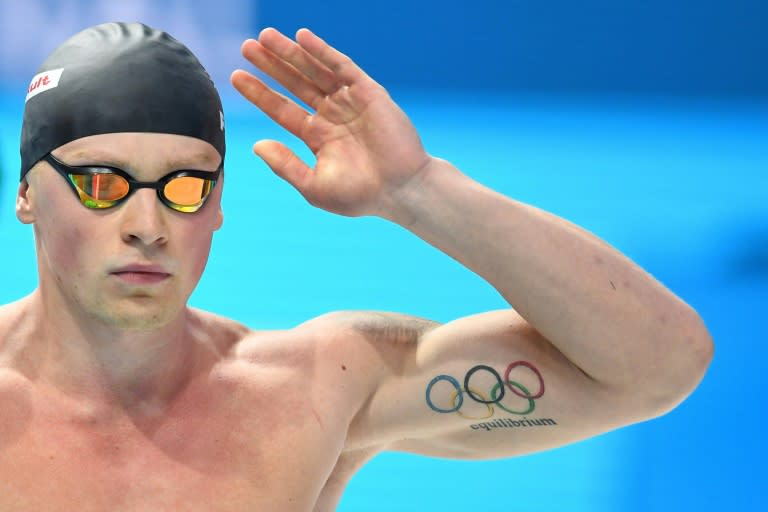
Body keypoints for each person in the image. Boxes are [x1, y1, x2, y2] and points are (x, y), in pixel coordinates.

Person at [0, 22, 713, 511]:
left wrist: (419, 190)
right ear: (28, 194)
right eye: (103, 185)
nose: (149, 227)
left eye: (187, 187)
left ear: (217, 207)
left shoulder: (310, 391)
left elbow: (657, 365)